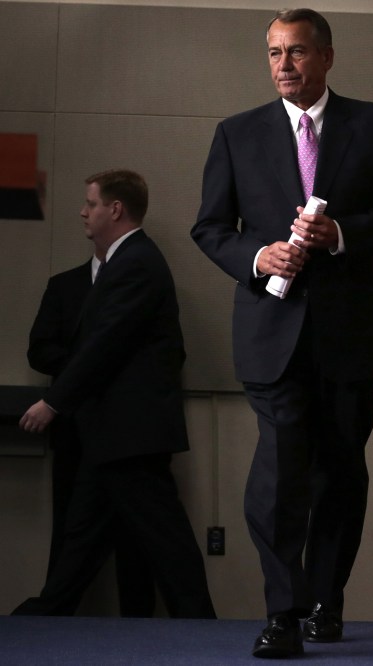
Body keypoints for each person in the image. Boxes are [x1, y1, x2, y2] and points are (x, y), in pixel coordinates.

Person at [191, 8, 373, 658]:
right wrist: (256, 257)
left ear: (325, 56)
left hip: (349, 340)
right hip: (271, 337)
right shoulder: (235, 135)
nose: (282, 65)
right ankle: (283, 613)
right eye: (272, 53)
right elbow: (210, 228)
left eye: (295, 52)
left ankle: (327, 599)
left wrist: (343, 234)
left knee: (341, 477)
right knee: (278, 474)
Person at [14, 169, 215, 619]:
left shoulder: (136, 262)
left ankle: (203, 629)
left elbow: (104, 345)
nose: (84, 212)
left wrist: (53, 402)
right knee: (82, 541)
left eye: (91, 203)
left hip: (130, 436)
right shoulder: (131, 261)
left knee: (165, 545)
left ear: (116, 209)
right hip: (115, 436)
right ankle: (42, 618)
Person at [27, 257, 157, 617]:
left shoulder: (138, 282)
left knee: (135, 539)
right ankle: (54, 619)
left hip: (126, 431)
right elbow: (38, 349)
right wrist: (87, 365)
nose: (85, 213)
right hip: (75, 429)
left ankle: (138, 619)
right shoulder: (64, 285)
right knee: (70, 529)